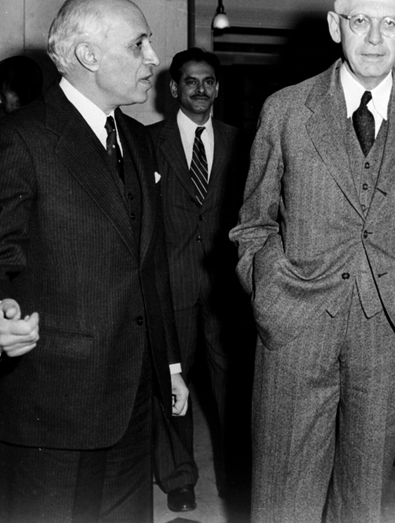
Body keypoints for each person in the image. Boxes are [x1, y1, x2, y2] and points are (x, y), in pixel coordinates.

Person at [229, 0, 395, 523]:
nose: (375, 38)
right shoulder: (287, 110)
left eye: (390, 23)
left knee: (362, 501)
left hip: (392, 333)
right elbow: (254, 223)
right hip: (295, 327)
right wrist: (271, 294)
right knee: (283, 497)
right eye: (361, 21)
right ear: (336, 26)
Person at [0, 0, 189, 523]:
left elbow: (149, 267)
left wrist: (169, 365)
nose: (154, 58)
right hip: (52, 404)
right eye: (138, 44)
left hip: (132, 401)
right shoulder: (21, 139)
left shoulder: (138, 139)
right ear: (89, 56)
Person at [149, 48, 250, 512]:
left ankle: (235, 478)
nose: (201, 90)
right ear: (174, 88)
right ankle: (179, 478)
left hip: (226, 289)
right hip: (171, 287)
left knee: (233, 387)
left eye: (208, 81)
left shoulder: (241, 142)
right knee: (173, 383)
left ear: (217, 87)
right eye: (191, 81)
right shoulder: (149, 142)